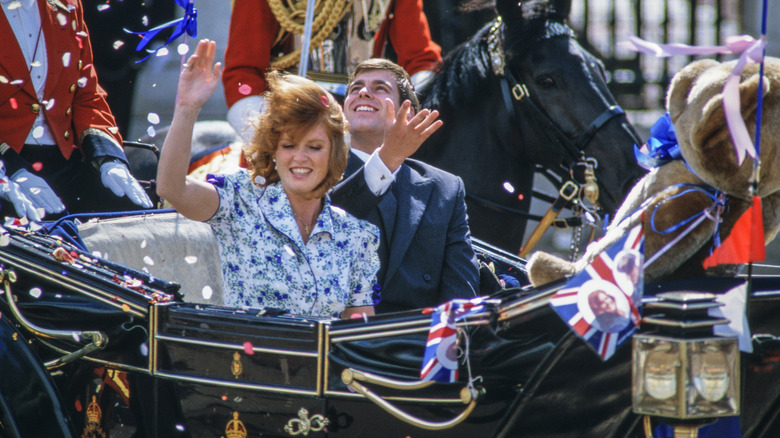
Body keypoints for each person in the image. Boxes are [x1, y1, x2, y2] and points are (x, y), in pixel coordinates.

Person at [157, 39, 380, 319]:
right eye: (288, 146)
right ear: (274, 151)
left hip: (321, 363)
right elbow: (172, 188)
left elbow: (358, 333)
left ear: (333, 155)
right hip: (246, 359)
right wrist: (187, 108)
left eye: (314, 147)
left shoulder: (356, 235)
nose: (300, 157)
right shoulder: (239, 200)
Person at [330, 58, 480, 313]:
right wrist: (386, 160)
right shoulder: (320, 173)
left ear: (407, 114)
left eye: (380, 88)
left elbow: (460, 291)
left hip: (418, 342)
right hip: (344, 339)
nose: (363, 92)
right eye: (355, 89)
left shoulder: (445, 188)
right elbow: (331, 220)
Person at [0, 0, 152, 222]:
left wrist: (109, 158)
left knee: (134, 215)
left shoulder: (66, 4)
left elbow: (86, 93)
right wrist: (10, 170)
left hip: (63, 160)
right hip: (8, 163)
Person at [222, 0, 442, 142]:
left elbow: (422, 61)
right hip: (287, 118)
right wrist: (271, 138)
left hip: (366, 117)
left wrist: (401, 118)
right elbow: (243, 74)